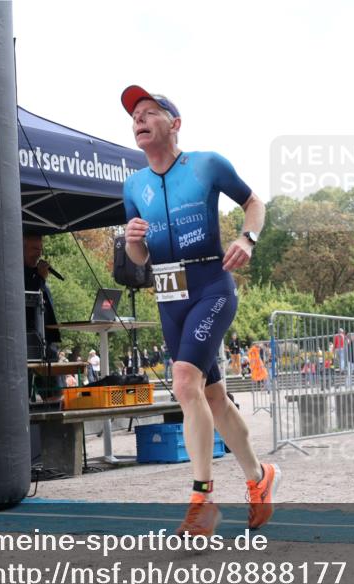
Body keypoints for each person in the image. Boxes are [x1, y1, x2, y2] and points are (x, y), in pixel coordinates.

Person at [120, 85, 277, 536]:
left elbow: (254, 203)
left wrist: (247, 239)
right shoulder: (133, 185)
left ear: (175, 123)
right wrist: (132, 242)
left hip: (211, 285)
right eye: (134, 116)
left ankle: (202, 499)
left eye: (149, 112)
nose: (139, 119)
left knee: (184, 381)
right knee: (213, 398)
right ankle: (259, 478)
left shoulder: (206, 164)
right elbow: (139, 258)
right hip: (169, 294)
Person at [22, 232, 62, 360]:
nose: (38, 254)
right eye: (34, 249)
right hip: (31, 339)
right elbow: (29, 297)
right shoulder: (19, 272)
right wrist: (40, 277)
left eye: (40, 249)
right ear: (22, 248)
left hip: (48, 338)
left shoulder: (38, 273)